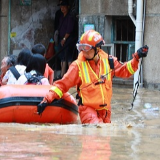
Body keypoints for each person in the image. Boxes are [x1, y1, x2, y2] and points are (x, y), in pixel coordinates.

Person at [37, 30, 149, 124]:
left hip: (105, 112)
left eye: (86, 47)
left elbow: (125, 70)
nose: (83, 51)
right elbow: (62, 85)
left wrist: (137, 57)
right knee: (96, 136)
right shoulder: (77, 66)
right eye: (81, 47)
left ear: (97, 49)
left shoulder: (109, 61)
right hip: (87, 110)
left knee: (105, 146)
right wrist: (47, 100)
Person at [56, 0, 76, 78]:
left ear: (68, 7)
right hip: (62, 39)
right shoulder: (61, 16)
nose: (62, 8)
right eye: (61, 7)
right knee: (63, 58)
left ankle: (71, 76)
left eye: (64, 7)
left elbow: (69, 30)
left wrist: (64, 38)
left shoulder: (70, 17)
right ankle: (63, 75)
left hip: (68, 40)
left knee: (69, 58)